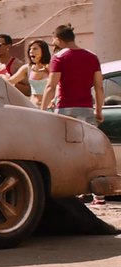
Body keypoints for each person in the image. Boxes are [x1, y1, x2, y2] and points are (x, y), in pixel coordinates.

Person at [40, 25, 105, 205]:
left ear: (59, 39)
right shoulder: (92, 57)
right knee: (91, 152)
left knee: (66, 151)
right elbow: (99, 86)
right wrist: (99, 110)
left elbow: (51, 86)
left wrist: (42, 110)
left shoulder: (59, 58)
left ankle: (70, 193)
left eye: (54, 39)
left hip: (65, 110)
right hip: (86, 109)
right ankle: (98, 195)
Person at [7, 40, 51, 108]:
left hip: (49, 108)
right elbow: (10, 81)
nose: (31, 51)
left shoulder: (51, 67)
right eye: (30, 49)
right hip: (33, 106)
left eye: (35, 48)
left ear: (43, 50)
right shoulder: (27, 68)